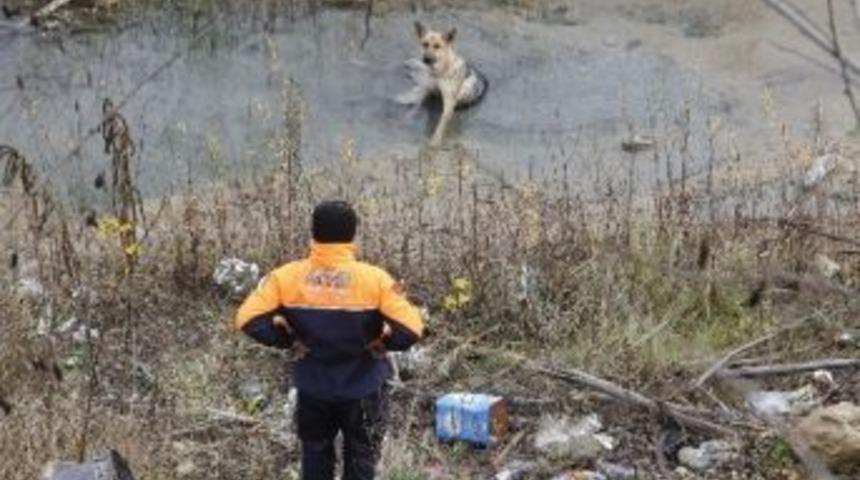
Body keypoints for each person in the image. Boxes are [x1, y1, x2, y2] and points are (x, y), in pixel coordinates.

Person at [234, 200, 424, 480]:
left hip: (313, 387)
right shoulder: (376, 279)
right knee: (361, 455)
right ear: (353, 235)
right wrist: (383, 343)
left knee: (315, 453)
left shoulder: (284, 277)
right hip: (363, 387)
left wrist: (287, 340)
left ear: (313, 233)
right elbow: (411, 329)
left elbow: (247, 319)